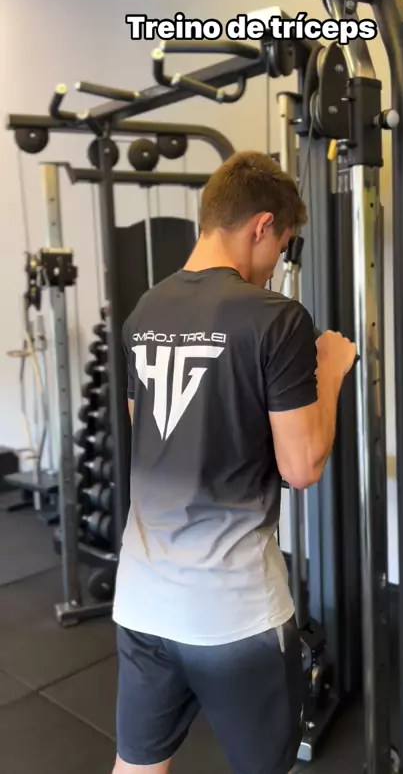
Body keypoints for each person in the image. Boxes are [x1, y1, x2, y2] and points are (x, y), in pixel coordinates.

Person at [112, 150, 356, 774]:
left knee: (137, 766)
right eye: (282, 245)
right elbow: (301, 468)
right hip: (232, 614)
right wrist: (329, 370)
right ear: (261, 225)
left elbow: (151, 432)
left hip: (141, 601)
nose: (275, 264)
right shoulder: (277, 318)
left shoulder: (145, 311)